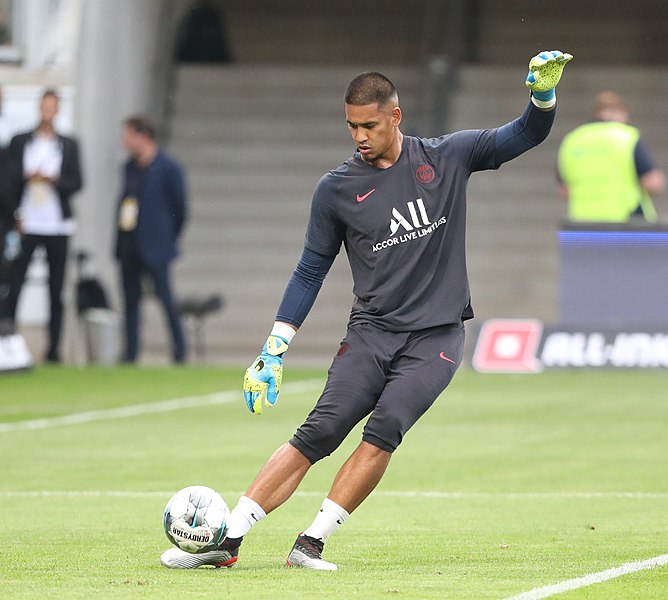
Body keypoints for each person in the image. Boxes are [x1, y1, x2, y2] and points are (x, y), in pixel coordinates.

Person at [159, 50, 572, 571]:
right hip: (372, 332)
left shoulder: (447, 157)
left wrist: (542, 96)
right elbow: (310, 269)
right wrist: (274, 348)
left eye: (369, 125)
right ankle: (230, 538)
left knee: (384, 430)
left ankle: (310, 543)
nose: (359, 135)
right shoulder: (336, 190)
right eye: (351, 125)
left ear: (395, 117)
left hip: (436, 338)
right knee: (319, 433)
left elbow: (525, 134)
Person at [0, 89, 82, 363]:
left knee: (55, 288)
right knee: (15, 282)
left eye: (52, 108)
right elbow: (8, 181)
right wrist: (17, 209)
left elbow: (77, 182)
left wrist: (53, 180)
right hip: (27, 222)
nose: (47, 113)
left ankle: (54, 349)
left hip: (56, 225)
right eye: (44, 107)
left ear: (57, 111)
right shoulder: (21, 142)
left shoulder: (68, 145)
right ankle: (9, 342)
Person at [114, 116, 188, 364]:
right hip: (129, 244)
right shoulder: (128, 167)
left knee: (166, 298)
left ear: (142, 136)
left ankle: (179, 351)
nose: (125, 141)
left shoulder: (167, 167)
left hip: (156, 246)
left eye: (128, 135)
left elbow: (181, 209)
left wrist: (167, 238)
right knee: (130, 301)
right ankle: (131, 353)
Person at [557, 91, 665, 222]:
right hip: (626, 224)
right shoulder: (628, 138)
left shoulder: (572, 140)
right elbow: (652, 183)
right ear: (621, 112)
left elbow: (564, 190)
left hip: (582, 225)